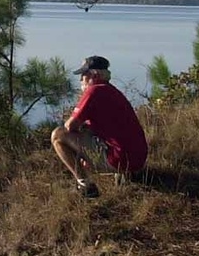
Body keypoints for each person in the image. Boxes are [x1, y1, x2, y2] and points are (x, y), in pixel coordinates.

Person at [50, 55, 148, 198]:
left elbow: (70, 126)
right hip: (138, 159)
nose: (80, 80)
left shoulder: (93, 91)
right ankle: (127, 174)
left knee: (58, 135)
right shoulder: (111, 91)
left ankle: (85, 186)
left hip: (120, 159)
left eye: (83, 75)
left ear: (93, 75)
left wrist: (80, 151)